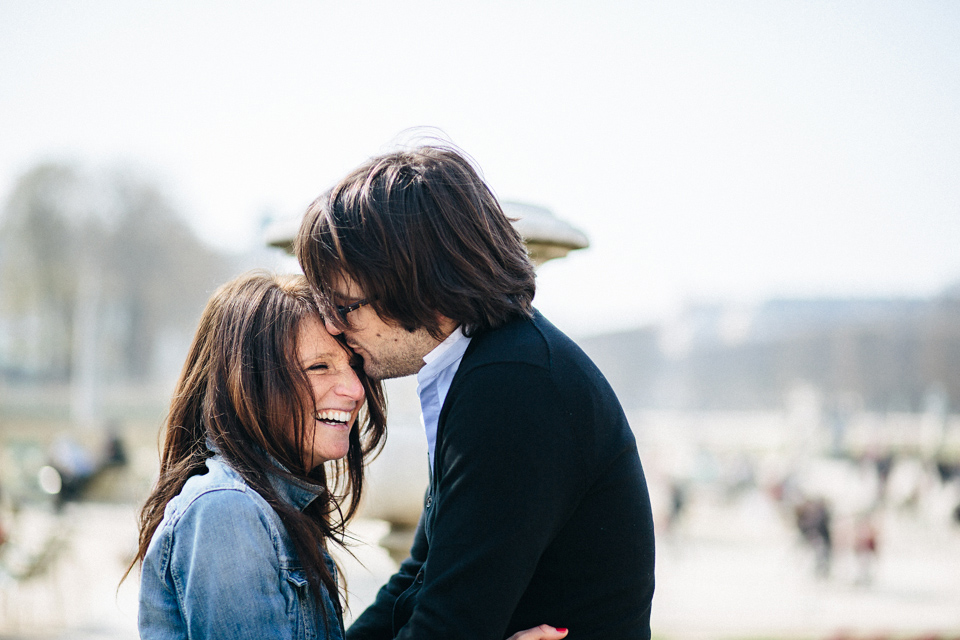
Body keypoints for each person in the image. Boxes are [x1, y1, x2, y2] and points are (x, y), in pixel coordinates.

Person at [296, 144, 656, 640]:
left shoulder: (513, 384)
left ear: (415, 282)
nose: (334, 326)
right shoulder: (495, 365)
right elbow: (417, 579)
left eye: (345, 305)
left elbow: (449, 624)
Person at [127, 271, 566, 640]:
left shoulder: (272, 510)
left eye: (352, 366)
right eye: (319, 368)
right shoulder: (228, 512)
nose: (356, 391)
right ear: (246, 384)